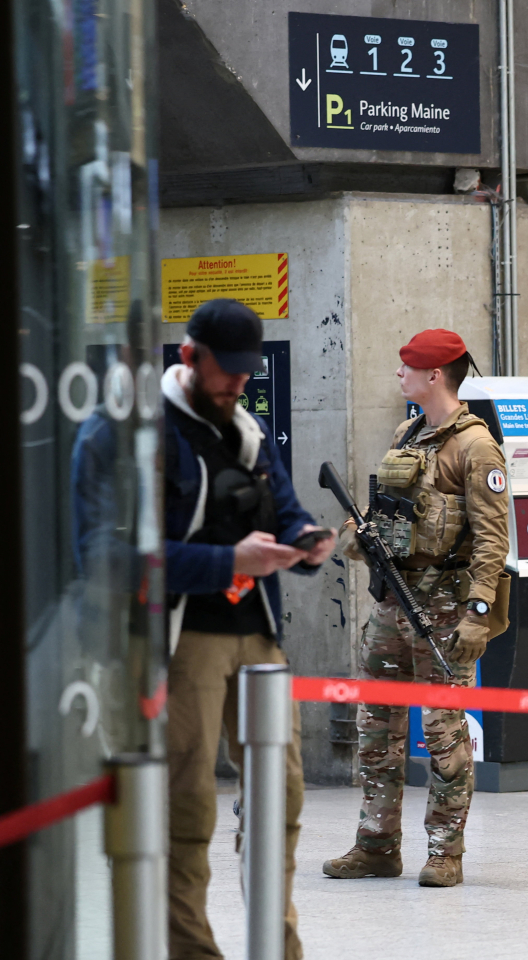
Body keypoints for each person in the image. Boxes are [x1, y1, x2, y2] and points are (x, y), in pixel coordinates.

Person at [162, 299, 336, 960]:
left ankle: (277, 947)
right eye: (225, 370)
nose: (237, 382)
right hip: (184, 639)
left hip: (258, 634)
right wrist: (227, 562)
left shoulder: (250, 430)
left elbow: (285, 510)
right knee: (187, 804)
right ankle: (190, 951)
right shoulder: (140, 435)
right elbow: (112, 556)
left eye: (246, 371)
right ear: (190, 356)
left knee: (279, 799)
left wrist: (306, 542)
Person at [323, 328, 509, 888]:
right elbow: (389, 511)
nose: (399, 374)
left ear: (435, 375)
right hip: (392, 602)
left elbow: (492, 540)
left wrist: (479, 613)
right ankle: (376, 846)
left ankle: (444, 853)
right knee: (376, 728)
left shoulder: (476, 447)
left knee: (443, 731)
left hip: (445, 612)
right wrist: (360, 533)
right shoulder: (408, 433)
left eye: (408, 367)